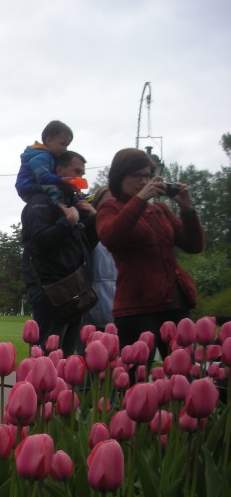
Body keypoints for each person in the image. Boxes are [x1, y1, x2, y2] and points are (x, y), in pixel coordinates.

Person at [96, 148, 204, 357]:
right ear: (120, 177)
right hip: (137, 306)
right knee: (135, 376)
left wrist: (187, 209)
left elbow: (194, 246)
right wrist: (140, 199)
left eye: (148, 175)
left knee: (183, 375)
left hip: (175, 301)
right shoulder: (110, 209)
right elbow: (111, 237)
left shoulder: (160, 211)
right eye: (137, 176)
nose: (144, 181)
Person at [21, 150, 98, 356]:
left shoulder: (70, 203)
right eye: (76, 171)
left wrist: (93, 220)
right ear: (59, 169)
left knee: (65, 356)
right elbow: (40, 242)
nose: (80, 178)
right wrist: (67, 222)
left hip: (75, 291)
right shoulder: (41, 202)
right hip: (51, 293)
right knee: (47, 358)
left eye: (82, 173)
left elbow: (85, 246)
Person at [15, 120, 74, 207]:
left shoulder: (50, 157)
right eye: (63, 144)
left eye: (67, 145)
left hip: (34, 184)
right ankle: (62, 208)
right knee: (54, 190)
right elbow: (42, 177)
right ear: (49, 140)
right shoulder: (42, 156)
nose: (65, 149)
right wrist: (61, 179)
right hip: (27, 185)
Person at [82, 186, 117, 330]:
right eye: (106, 203)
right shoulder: (87, 230)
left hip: (120, 307)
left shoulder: (128, 232)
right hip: (91, 307)